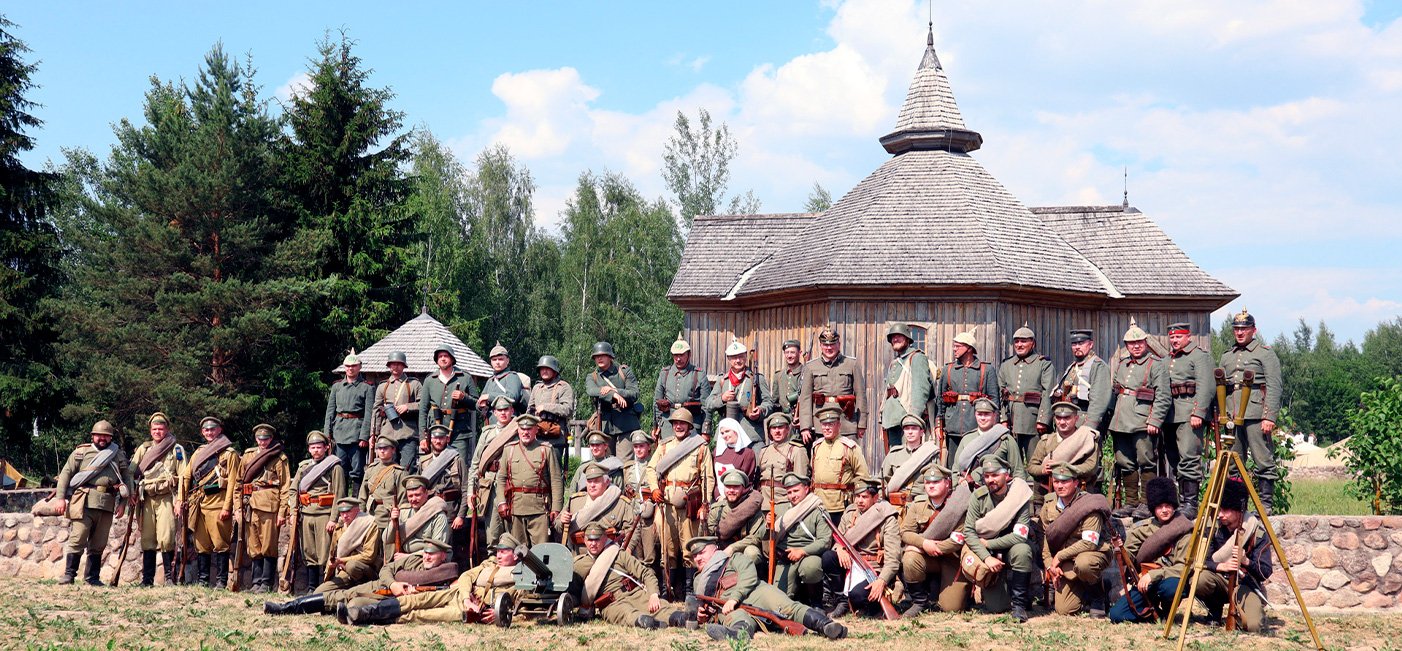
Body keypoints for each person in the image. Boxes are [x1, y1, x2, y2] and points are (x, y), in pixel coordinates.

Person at [687, 536, 847, 641]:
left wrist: (734, 597)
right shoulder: (699, 580)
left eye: (701, 553)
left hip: (756, 592)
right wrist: (703, 615)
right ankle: (737, 635)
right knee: (738, 618)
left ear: (715, 550)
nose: (698, 558)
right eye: (694, 556)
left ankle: (826, 626)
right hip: (728, 608)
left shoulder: (734, 559)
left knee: (788, 607)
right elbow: (706, 606)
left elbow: (749, 576)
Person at [341, 533, 524, 625]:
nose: (499, 555)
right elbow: (466, 576)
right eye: (498, 551)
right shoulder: (489, 564)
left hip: (474, 610)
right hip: (460, 595)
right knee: (414, 600)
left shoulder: (522, 574)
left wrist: (501, 615)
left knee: (423, 614)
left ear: (515, 555)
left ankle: (366, 617)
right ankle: (364, 611)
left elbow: (521, 604)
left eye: (504, 552)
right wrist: (467, 597)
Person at [264, 537, 458, 617]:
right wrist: (394, 584)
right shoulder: (412, 561)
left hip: (390, 603)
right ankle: (286, 608)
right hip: (381, 587)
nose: (426, 556)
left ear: (443, 555)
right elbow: (386, 570)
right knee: (340, 596)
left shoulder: (446, 572)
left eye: (431, 554)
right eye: (425, 552)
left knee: (353, 603)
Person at [55, 420, 134, 585]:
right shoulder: (81, 453)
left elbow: (126, 478)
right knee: (78, 537)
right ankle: (69, 575)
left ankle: (92, 578)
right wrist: (61, 498)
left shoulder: (117, 454)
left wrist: (122, 504)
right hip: (84, 501)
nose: (102, 439)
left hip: (107, 502)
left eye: (106, 436)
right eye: (99, 435)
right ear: (93, 436)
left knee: (99, 542)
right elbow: (65, 474)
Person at [645, 408, 715, 596]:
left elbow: (708, 477)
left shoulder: (700, 447)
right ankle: (667, 588)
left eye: (682, 423)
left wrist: (705, 504)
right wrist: (654, 489)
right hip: (666, 503)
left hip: (689, 505)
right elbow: (651, 469)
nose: (678, 426)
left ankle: (689, 590)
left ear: (690, 425)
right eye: (675, 423)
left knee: (689, 547)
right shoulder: (664, 446)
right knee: (667, 548)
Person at [1220, 309, 1284, 511]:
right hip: (1232, 414)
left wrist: (1269, 416)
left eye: (1244, 329)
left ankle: (1265, 504)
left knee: (1262, 459)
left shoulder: (1265, 353)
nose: (1240, 333)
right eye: (1236, 329)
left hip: (1256, 414)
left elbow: (1274, 385)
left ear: (1253, 330)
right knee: (1233, 463)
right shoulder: (1227, 356)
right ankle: (1237, 505)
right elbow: (1221, 386)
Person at [1191, 478, 1274, 632]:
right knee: (1200, 579)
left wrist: (1246, 561)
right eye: (1219, 509)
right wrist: (1220, 566)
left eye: (1226, 510)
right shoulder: (1212, 528)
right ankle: (1213, 611)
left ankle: (1242, 611)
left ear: (1239, 509)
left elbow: (1265, 571)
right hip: (1218, 581)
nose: (1220, 515)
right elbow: (1200, 560)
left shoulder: (1257, 533)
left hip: (1244, 584)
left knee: (1254, 626)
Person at [961, 455, 1036, 622]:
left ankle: (1019, 604)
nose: (990, 480)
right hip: (989, 553)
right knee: (997, 607)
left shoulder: (1019, 496)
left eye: (995, 475)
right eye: (987, 476)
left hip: (1011, 547)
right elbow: (969, 532)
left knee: (1023, 551)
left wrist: (989, 542)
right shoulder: (978, 497)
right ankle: (1005, 594)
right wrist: (986, 557)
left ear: (1007, 475)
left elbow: (1020, 535)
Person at [1108, 319, 1170, 517]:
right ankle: (1131, 503)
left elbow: (1163, 395)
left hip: (1143, 422)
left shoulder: (1155, 365)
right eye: (1131, 344)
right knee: (1124, 462)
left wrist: (1155, 421)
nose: (1136, 346)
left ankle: (1146, 503)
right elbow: (1116, 391)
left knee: (1147, 462)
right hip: (1120, 421)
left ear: (1145, 342)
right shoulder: (1123, 364)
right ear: (1126, 345)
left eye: (1139, 343)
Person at [1109, 477, 1193, 623]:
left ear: (1174, 506)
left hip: (1169, 578)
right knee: (1117, 614)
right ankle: (1153, 611)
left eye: (1168, 505)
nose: (1165, 510)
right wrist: (1118, 549)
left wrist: (1154, 575)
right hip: (1144, 582)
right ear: (1153, 508)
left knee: (1171, 588)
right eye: (1160, 506)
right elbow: (1128, 559)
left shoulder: (1184, 529)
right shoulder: (1141, 530)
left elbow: (1183, 567)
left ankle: (1169, 611)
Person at [574, 523, 687, 629]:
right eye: (590, 540)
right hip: (611, 603)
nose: (593, 544)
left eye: (597, 539)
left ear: (604, 538)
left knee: (659, 607)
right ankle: (647, 623)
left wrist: (653, 594)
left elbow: (645, 573)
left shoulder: (617, 554)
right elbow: (571, 590)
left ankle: (680, 619)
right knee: (628, 615)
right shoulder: (580, 564)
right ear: (584, 540)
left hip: (634, 593)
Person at [821, 476, 899, 618]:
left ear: (875, 498)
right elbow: (839, 539)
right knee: (828, 557)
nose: (859, 501)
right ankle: (842, 601)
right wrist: (840, 548)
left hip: (874, 568)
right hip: (852, 563)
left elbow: (893, 559)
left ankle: (872, 606)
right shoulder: (850, 513)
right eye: (857, 496)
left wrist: (881, 581)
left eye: (864, 497)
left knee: (858, 595)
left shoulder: (887, 517)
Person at [897, 466, 970, 616]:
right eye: (928, 482)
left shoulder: (958, 504)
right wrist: (924, 543)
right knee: (910, 558)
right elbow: (905, 532)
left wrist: (925, 547)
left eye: (936, 482)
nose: (931, 485)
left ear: (947, 483)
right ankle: (919, 602)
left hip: (952, 559)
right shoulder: (918, 505)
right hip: (928, 559)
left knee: (952, 607)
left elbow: (957, 540)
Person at [1040, 462, 1111, 616]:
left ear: (1076, 482)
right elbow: (1046, 539)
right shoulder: (1049, 505)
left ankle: (1098, 594)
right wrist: (1049, 566)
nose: (1060, 486)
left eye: (1065, 481)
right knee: (1064, 610)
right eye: (1057, 481)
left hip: (1091, 554)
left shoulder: (1089, 505)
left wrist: (1059, 556)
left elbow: (1089, 543)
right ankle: (1084, 591)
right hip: (1065, 564)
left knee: (1084, 564)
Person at [181, 416, 240, 588]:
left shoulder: (229, 454)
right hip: (199, 504)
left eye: (212, 429)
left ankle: (221, 581)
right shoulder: (199, 453)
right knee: (201, 545)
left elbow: (234, 483)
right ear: (202, 432)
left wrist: (227, 506)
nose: (209, 432)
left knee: (221, 544)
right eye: (206, 430)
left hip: (218, 504)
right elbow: (186, 476)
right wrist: (181, 499)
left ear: (219, 430)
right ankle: (203, 580)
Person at [1165, 322, 1214, 517]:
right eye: (1172, 337)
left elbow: (1206, 386)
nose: (1175, 340)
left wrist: (1199, 412)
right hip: (1170, 416)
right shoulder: (1168, 359)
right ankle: (1181, 499)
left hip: (1189, 414)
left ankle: (1191, 504)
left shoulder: (1199, 356)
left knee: (1188, 457)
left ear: (1188, 337)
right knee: (1174, 458)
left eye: (1178, 337)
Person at [131, 412, 185, 586]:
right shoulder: (143, 449)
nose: (157, 432)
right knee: (147, 538)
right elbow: (132, 472)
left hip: (167, 497)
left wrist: (180, 501)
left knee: (167, 537)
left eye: (161, 429)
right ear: (150, 430)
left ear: (167, 429)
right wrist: (131, 492)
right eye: (154, 429)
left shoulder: (176, 449)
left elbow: (183, 476)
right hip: (146, 498)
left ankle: (169, 578)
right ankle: (147, 580)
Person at [494, 413, 564, 548]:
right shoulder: (509, 450)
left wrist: (556, 507)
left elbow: (556, 480)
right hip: (515, 507)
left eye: (529, 429)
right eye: (522, 429)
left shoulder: (546, 450)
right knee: (518, 549)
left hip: (539, 508)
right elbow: (501, 478)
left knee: (541, 550)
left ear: (536, 430)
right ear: (518, 430)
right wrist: (501, 502)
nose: (525, 432)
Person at [1055, 329, 1112, 491]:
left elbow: (1100, 398)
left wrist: (1090, 427)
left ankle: (1094, 498)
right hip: (1072, 423)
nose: (1077, 347)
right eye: (1074, 344)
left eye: (1081, 343)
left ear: (1090, 344)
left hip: (1087, 421)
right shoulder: (1073, 367)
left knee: (1091, 462)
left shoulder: (1098, 366)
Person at [289, 431, 346, 592]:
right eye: (313, 447)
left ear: (326, 448)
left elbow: (340, 494)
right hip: (306, 514)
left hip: (324, 514)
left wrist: (334, 519)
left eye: (319, 447)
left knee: (325, 553)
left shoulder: (334, 467)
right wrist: (294, 512)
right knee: (309, 552)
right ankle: (311, 587)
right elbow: (293, 491)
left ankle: (326, 587)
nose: (316, 450)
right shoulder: (303, 467)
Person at [238, 424, 291, 593]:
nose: (263, 442)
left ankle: (266, 583)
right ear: (256, 439)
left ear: (271, 439)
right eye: (260, 439)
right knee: (253, 545)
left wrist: (282, 511)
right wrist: (237, 507)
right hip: (250, 504)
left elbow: (285, 486)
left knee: (268, 545)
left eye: (266, 439)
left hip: (269, 505)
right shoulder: (248, 456)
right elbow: (239, 482)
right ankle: (256, 582)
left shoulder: (278, 457)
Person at [769, 472, 832, 606]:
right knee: (779, 601)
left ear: (806, 489)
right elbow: (767, 537)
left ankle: (816, 603)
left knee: (811, 568)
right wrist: (768, 525)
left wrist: (802, 551)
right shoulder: (780, 509)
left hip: (808, 554)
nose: (793, 495)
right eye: (789, 492)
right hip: (786, 558)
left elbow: (825, 541)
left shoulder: (817, 510)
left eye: (796, 490)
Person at [934, 329, 998, 456]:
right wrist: (938, 424)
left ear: (969, 348)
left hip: (978, 427)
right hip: (953, 427)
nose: (954, 349)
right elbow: (940, 400)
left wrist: (994, 426)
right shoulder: (948, 369)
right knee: (953, 465)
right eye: (954, 346)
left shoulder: (987, 370)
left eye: (958, 346)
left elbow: (994, 400)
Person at [998, 324, 1054, 463]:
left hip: (1033, 422)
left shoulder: (1043, 364)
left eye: (1024, 341)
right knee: (1010, 464)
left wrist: (1043, 420)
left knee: (1036, 464)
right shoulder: (1007, 365)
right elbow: (1002, 393)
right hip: (1011, 422)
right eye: (1016, 341)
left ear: (1032, 343)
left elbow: (1048, 393)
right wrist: (1003, 419)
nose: (1019, 344)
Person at [798, 325, 866, 440]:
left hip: (846, 422)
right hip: (821, 424)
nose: (829, 348)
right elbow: (805, 398)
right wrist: (805, 427)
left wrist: (861, 423)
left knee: (848, 456)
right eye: (825, 344)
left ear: (839, 344)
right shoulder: (811, 366)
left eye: (832, 344)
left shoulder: (851, 364)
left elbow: (860, 395)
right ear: (820, 346)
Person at [469, 396, 516, 552]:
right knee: (493, 528)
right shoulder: (487, 433)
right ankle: (492, 558)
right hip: (490, 484)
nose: (503, 413)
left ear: (512, 411)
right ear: (494, 413)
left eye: (506, 410)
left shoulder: (518, 431)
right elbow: (475, 463)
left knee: (512, 526)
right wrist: (470, 491)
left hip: (512, 483)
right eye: (499, 410)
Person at [420, 343, 480, 466]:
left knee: (460, 465)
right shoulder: (429, 380)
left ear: (452, 359)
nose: (443, 358)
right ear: (436, 360)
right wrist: (422, 436)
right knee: (436, 467)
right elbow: (423, 409)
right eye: (440, 356)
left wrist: (464, 397)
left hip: (460, 431)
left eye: (446, 356)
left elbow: (477, 405)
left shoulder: (465, 378)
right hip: (436, 430)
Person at [705, 338, 773, 445]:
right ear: (728, 359)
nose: (738, 360)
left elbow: (769, 402)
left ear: (746, 357)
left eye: (741, 356)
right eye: (734, 357)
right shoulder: (722, 380)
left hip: (751, 433)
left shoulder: (757, 378)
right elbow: (708, 403)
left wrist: (760, 410)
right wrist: (722, 399)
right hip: (726, 434)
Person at [1028, 402, 1100, 499]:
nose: (1062, 422)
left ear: (1076, 419)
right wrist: (1043, 470)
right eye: (1058, 418)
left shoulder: (1087, 439)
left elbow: (1091, 467)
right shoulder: (1046, 441)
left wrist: (1066, 468)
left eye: (1067, 418)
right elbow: (1032, 467)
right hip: (1048, 496)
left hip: (1079, 494)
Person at [809, 402, 870, 520]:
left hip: (840, 505)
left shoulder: (850, 447)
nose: (826, 428)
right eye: (824, 424)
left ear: (839, 425)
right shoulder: (816, 446)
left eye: (831, 424)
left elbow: (863, 476)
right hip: (818, 504)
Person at [325, 352, 375, 491]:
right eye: (347, 366)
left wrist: (364, 436)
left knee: (357, 471)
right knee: (341, 470)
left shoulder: (367, 387)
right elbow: (330, 411)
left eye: (353, 366)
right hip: (339, 432)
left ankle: (356, 501)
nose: (350, 369)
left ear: (359, 367)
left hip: (357, 433)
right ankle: (342, 501)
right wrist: (327, 434)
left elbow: (369, 413)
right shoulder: (337, 386)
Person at [585, 341, 642, 460]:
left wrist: (615, 390)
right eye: (596, 356)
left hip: (626, 423)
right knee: (605, 464)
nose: (599, 358)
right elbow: (591, 391)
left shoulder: (624, 371)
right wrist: (613, 395)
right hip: (604, 425)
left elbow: (634, 393)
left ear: (610, 356)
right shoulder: (592, 377)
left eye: (603, 355)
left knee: (625, 464)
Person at [557, 462, 635, 550]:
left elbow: (633, 529)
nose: (592, 485)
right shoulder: (575, 501)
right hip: (580, 557)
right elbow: (557, 525)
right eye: (589, 481)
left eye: (597, 481)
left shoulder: (620, 503)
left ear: (607, 482)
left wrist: (628, 549)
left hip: (609, 555)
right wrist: (562, 521)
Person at [881, 322, 933, 451]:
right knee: (894, 458)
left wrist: (913, 419)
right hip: (892, 420)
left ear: (908, 339)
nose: (895, 339)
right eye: (893, 337)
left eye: (899, 336)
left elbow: (921, 390)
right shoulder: (894, 363)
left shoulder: (917, 358)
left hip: (908, 420)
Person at [952, 398, 1027, 487]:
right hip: (972, 492)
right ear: (975, 415)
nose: (983, 418)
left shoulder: (1006, 439)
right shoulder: (966, 439)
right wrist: (959, 485)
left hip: (1000, 493)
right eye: (979, 414)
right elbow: (956, 471)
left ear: (994, 415)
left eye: (987, 414)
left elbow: (1018, 471)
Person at [317, 498, 383, 592]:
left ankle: (362, 589)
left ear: (357, 510)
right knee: (319, 593)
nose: (344, 515)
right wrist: (328, 575)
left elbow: (369, 556)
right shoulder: (340, 527)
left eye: (348, 511)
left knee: (352, 565)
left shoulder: (369, 524)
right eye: (342, 512)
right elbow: (332, 554)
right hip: (344, 572)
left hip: (366, 571)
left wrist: (342, 561)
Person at [418, 425, 468, 545]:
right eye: (435, 438)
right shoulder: (424, 462)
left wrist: (461, 516)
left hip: (450, 511)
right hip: (429, 510)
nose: (438, 441)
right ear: (431, 439)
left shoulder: (457, 460)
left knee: (447, 547)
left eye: (441, 438)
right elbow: (418, 489)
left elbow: (466, 489)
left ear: (447, 439)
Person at [373, 351, 422, 471]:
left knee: (407, 468)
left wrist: (408, 407)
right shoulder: (382, 386)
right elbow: (376, 411)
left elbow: (423, 405)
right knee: (387, 468)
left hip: (408, 432)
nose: (395, 367)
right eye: (392, 364)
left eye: (399, 364)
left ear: (404, 366)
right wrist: (374, 434)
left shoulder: (414, 384)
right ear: (389, 366)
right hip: (387, 433)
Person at [654, 334, 708, 439]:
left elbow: (706, 406)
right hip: (668, 424)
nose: (678, 359)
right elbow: (657, 402)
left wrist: (706, 430)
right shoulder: (665, 373)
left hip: (692, 423)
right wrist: (657, 425)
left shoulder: (699, 374)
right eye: (675, 355)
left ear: (689, 354)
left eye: (681, 355)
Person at [879, 414, 940, 507]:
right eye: (907, 429)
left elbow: (938, 482)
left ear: (921, 432)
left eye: (914, 428)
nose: (910, 432)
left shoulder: (930, 454)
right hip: (896, 505)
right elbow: (881, 482)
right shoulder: (894, 454)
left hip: (921, 505)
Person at [706, 469, 765, 560]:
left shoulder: (753, 509)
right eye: (728, 486)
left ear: (743, 488)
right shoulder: (717, 509)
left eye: (736, 487)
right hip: (721, 550)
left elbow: (755, 538)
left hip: (742, 550)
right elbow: (709, 535)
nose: (731, 490)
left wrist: (733, 548)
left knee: (752, 553)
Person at [755, 413, 808, 514]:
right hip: (763, 502)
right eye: (774, 428)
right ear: (770, 431)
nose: (777, 431)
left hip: (784, 502)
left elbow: (801, 482)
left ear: (787, 429)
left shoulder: (796, 450)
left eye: (780, 427)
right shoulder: (764, 451)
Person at [529, 355, 575, 469]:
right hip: (537, 436)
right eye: (542, 368)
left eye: (547, 368)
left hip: (556, 437)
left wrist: (545, 407)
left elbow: (568, 409)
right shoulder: (537, 388)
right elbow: (529, 410)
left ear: (554, 371)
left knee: (555, 474)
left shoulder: (564, 387)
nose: (544, 370)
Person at [387, 476, 450, 557]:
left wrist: (408, 557)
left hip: (427, 559)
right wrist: (393, 522)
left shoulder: (438, 515)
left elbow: (438, 548)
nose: (413, 499)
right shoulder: (403, 512)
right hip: (403, 557)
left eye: (417, 495)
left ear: (426, 493)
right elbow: (386, 540)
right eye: (410, 496)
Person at [622, 432, 658, 566]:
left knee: (650, 554)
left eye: (641, 446)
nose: (638, 449)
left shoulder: (654, 466)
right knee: (636, 552)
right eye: (635, 446)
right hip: (634, 514)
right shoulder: (628, 468)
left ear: (648, 447)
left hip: (650, 514)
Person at [359, 438, 405, 535]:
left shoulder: (399, 472)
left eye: (385, 448)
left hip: (388, 518)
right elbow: (363, 496)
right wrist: (360, 516)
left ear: (393, 450)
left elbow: (402, 499)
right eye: (379, 448)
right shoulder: (370, 470)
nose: (382, 451)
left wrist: (397, 518)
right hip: (370, 516)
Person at [478, 342, 530, 416]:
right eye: (494, 359)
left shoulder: (512, 376)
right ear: (491, 362)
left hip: (509, 423)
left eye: (500, 359)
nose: (497, 362)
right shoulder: (490, 380)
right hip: (491, 424)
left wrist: (489, 397)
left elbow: (512, 397)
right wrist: (480, 405)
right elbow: (479, 402)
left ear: (507, 360)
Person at [772, 339, 806, 443]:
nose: (789, 356)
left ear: (799, 353)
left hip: (801, 420)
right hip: (784, 422)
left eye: (792, 352)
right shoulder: (779, 375)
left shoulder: (806, 373)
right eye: (787, 352)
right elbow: (775, 401)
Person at [712, 418, 756, 492]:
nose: (724, 435)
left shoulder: (747, 453)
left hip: (738, 497)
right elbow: (714, 479)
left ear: (736, 431)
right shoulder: (717, 452)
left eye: (727, 431)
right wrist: (718, 497)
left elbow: (747, 482)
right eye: (722, 433)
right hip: (719, 498)